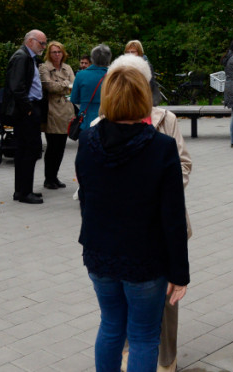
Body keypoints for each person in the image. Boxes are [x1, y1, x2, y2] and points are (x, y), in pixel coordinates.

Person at [75, 65, 189, 372]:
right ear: (144, 97)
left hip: (100, 254)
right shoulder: (161, 147)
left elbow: (86, 198)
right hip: (145, 259)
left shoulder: (87, 140)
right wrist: (180, 273)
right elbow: (173, 216)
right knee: (142, 335)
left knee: (111, 325)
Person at [109, 54, 193, 372]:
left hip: (163, 222)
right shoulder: (103, 124)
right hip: (122, 228)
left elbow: (183, 163)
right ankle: (130, 350)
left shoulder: (165, 119)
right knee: (123, 296)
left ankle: (166, 357)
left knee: (166, 296)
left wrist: (160, 188)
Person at [2, 30, 48, 204]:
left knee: (24, 151)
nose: (44, 47)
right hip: (26, 110)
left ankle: (21, 190)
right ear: (30, 42)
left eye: (44, 43)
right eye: (41, 43)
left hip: (29, 108)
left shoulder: (28, 58)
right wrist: (28, 109)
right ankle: (24, 192)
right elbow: (16, 86)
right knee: (30, 150)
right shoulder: (22, 57)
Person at [39, 41, 75, 190]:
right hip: (52, 111)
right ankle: (49, 178)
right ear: (49, 53)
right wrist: (66, 84)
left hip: (67, 110)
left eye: (59, 52)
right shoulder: (44, 67)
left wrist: (64, 86)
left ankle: (55, 177)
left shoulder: (67, 67)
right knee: (52, 146)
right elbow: (49, 86)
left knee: (61, 146)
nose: (57, 54)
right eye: (54, 52)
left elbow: (74, 85)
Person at [71, 45, 111, 131]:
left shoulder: (81, 75)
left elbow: (74, 99)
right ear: (108, 59)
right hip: (108, 120)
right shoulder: (113, 76)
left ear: (92, 59)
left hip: (86, 120)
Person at [124, 40, 161, 106]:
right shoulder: (124, 66)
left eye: (132, 52)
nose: (130, 54)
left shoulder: (146, 66)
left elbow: (150, 85)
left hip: (143, 101)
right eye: (128, 52)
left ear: (139, 52)